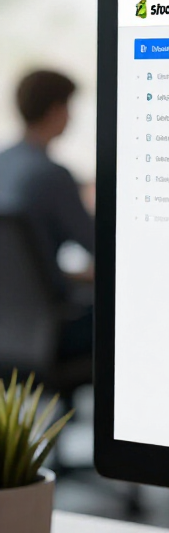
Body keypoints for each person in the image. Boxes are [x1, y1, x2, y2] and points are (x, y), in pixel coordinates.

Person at [0, 69, 94, 360]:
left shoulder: (4, 163)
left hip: (8, 328)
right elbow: (99, 245)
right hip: (50, 332)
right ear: (56, 110)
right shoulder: (51, 175)